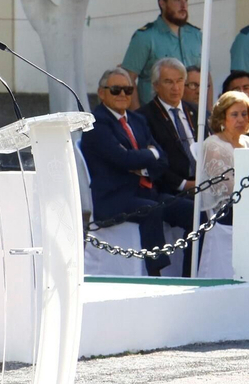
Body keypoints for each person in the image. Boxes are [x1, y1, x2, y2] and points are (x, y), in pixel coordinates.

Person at [79, 67, 193, 276]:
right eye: (115, 90)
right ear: (102, 93)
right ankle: (155, 275)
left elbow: (163, 158)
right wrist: (148, 156)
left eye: (128, 90)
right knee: (151, 209)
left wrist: (141, 166)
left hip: (146, 192)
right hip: (113, 199)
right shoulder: (95, 124)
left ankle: (191, 273)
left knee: (194, 213)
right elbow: (122, 159)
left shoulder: (137, 120)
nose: (122, 94)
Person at [122, 0, 203, 107]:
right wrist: (138, 117)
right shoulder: (145, 37)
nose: (183, 5)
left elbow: (206, 78)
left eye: (185, 0)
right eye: (177, 0)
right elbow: (127, 79)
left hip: (192, 115)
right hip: (156, 116)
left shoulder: (197, 36)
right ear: (162, 3)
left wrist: (209, 114)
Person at [140, 57, 198, 196]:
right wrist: (183, 184)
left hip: (204, 184)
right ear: (155, 85)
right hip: (169, 190)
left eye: (179, 81)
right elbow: (152, 161)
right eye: (168, 82)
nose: (176, 88)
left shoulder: (197, 112)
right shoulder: (144, 117)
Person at [199, 91, 249, 222]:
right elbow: (226, 188)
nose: (241, 119)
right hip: (227, 211)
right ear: (222, 118)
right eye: (234, 114)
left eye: (244, 114)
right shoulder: (214, 145)